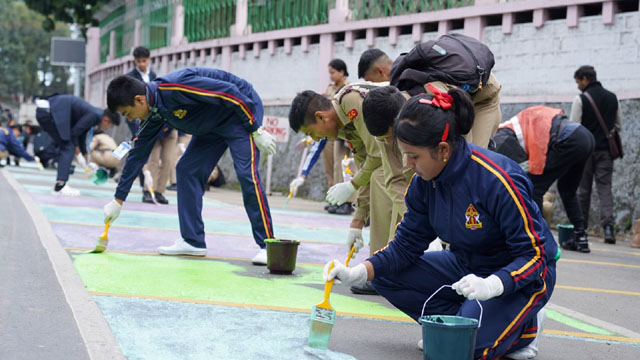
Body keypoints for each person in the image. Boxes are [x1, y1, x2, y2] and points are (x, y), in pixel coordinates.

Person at [323, 88, 557, 360]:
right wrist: (359, 272)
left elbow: (536, 255)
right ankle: (463, 321)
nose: (408, 165)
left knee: (468, 349)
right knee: (382, 276)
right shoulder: (424, 184)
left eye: (414, 156)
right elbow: (405, 247)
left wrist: (494, 284)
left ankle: (527, 325)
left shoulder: (498, 180)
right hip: (465, 265)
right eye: (403, 154)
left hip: (517, 276)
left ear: (443, 150)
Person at [103, 68, 276, 265]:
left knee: (246, 173)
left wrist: (255, 128)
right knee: (187, 170)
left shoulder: (175, 87)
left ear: (139, 100)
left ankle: (268, 245)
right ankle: (192, 241)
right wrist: (118, 200)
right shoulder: (153, 112)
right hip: (210, 125)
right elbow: (137, 155)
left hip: (239, 111)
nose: (130, 119)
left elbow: (230, 93)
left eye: (128, 113)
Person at [289, 82, 393, 294]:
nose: (315, 139)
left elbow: (377, 156)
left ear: (321, 117)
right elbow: (368, 167)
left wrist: (352, 184)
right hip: (400, 153)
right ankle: (383, 268)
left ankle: (385, 273)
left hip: (421, 138)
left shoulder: (351, 101)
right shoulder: (345, 129)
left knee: (382, 178)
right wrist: (357, 221)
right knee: (376, 177)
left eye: (311, 132)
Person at [494, 106, 595, 253]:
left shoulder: (503, 135)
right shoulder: (521, 123)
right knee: (567, 190)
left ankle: (537, 237)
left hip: (570, 140)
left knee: (534, 188)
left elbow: (526, 168)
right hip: (585, 137)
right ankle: (581, 237)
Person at [570, 65, 622, 244]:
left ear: (585, 79)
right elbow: (619, 126)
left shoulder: (580, 99)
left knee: (583, 191)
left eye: (578, 82)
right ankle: (608, 228)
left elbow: (573, 127)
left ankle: (581, 228)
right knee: (605, 188)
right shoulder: (613, 98)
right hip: (606, 152)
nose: (577, 86)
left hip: (585, 152)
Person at [35, 95, 120, 196]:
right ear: (106, 119)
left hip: (47, 112)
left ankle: (60, 183)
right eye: (110, 126)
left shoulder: (95, 114)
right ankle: (60, 186)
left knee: (66, 145)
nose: (107, 128)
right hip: (47, 112)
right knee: (68, 147)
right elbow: (74, 134)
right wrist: (79, 155)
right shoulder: (94, 115)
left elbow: (81, 136)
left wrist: (86, 159)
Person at [126, 46, 178, 204]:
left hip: (167, 123)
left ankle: (160, 191)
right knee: (152, 160)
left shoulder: (155, 76)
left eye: (144, 60)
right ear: (134, 61)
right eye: (139, 61)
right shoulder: (129, 79)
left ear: (149, 60)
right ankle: (148, 191)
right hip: (148, 126)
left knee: (168, 160)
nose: (142, 64)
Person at [362, 86, 413, 243]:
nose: (389, 142)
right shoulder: (382, 120)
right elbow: (395, 180)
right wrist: (413, 220)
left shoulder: (432, 116)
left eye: (390, 136)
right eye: (383, 138)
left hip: (481, 103)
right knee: (398, 239)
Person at [322, 59, 353, 214]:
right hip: (331, 132)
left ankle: (348, 201)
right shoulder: (330, 88)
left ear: (342, 71)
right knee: (333, 165)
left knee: (346, 166)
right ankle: (335, 198)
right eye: (329, 72)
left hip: (346, 132)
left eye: (333, 72)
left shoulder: (349, 88)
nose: (331, 76)